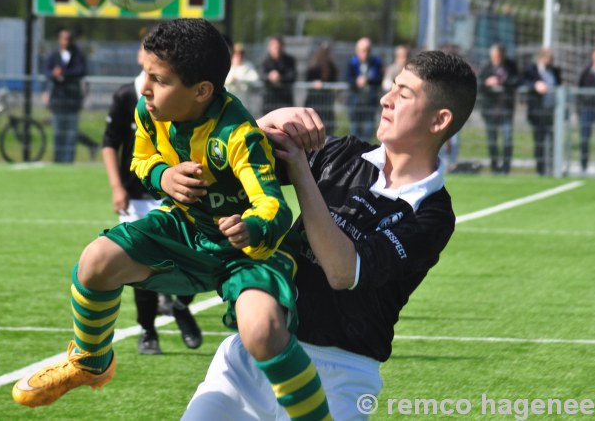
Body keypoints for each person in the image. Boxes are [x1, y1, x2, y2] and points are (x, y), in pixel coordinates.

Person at [13, 19, 331, 420]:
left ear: (201, 92)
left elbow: (273, 207)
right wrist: (164, 176)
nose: (144, 87)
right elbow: (141, 160)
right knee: (94, 262)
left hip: (244, 253)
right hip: (184, 229)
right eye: (145, 72)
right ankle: (90, 361)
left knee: (262, 331)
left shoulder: (238, 135)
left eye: (157, 79)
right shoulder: (149, 110)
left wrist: (249, 226)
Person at [184, 50, 478, 420]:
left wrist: (302, 172)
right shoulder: (342, 153)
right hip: (253, 353)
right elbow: (221, 170)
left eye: (404, 94)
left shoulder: (433, 214)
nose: (386, 99)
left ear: (440, 120)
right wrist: (265, 122)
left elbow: (343, 271)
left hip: (339, 374)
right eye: (392, 87)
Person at [101, 43, 202, 356]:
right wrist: (117, 187)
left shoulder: (178, 93)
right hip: (136, 196)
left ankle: (181, 306)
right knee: (139, 265)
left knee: (194, 259)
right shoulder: (126, 96)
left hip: (177, 194)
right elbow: (109, 144)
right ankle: (148, 331)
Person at [43, 28, 88, 163]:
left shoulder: (77, 55)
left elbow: (81, 70)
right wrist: (53, 74)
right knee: (58, 132)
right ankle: (58, 159)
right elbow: (46, 70)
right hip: (58, 100)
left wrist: (64, 73)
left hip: (73, 100)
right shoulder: (54, 56)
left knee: (71, 133)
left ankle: (69, 160)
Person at [477, 43, 520, 174]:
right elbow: (478, 83)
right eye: (494, 57)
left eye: (498, 57)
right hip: (490, 110)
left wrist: (503, 82)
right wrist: (487, 82)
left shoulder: (511, 66)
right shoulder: (486, 67)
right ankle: (494, 167)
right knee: (492, 139)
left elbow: (517, 80)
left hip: (506, 108)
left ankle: (506, 167)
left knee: (507, 139)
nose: (496, 59)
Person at [523, 48, 562, 176]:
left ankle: (552, 168)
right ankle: (540, 170)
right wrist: (535, 85)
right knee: (539, 142)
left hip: (552, 112)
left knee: (553, 142)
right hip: (537, 113)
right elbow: (523, 81)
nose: (550, 60)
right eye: (548, 58)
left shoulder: (555, 71)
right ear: (541, 58)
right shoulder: (532, 70)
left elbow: (559, 86)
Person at [346, 37, 384, 141]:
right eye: (363, 50)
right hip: (355, 101)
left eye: (368, 50)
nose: (366, 53)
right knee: (355, 130)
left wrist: (367, 80)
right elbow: (348, 79)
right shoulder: (352, 63)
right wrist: (356, 82)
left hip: (370, 101)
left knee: (368, 130)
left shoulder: (376, 62)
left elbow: (379, 78)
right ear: (357, 51)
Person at [304, 42, 338, 136]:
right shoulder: (313, 66)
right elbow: (308, 79)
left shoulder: (332, 67)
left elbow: (334, 80)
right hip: (314, 101)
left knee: (327, 125)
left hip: (326, 101)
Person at [260, 36, 297, 115]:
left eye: (278, 47)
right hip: (269, 101)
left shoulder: (290, 60)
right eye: (274, 47)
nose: (276, 49)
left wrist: (280, 78)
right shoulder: (265, 61)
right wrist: (269, 77)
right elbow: (262, 76)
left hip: (285, 101)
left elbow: (292, 76)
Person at [224, 42, 259, 107]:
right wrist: (230, 80)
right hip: (229, 100)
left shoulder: (248, 66)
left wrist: (239, 79)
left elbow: (255, 80)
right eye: (236, 55)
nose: (238, 57)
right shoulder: (227, 66)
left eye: (240, 55)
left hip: (244, 101)